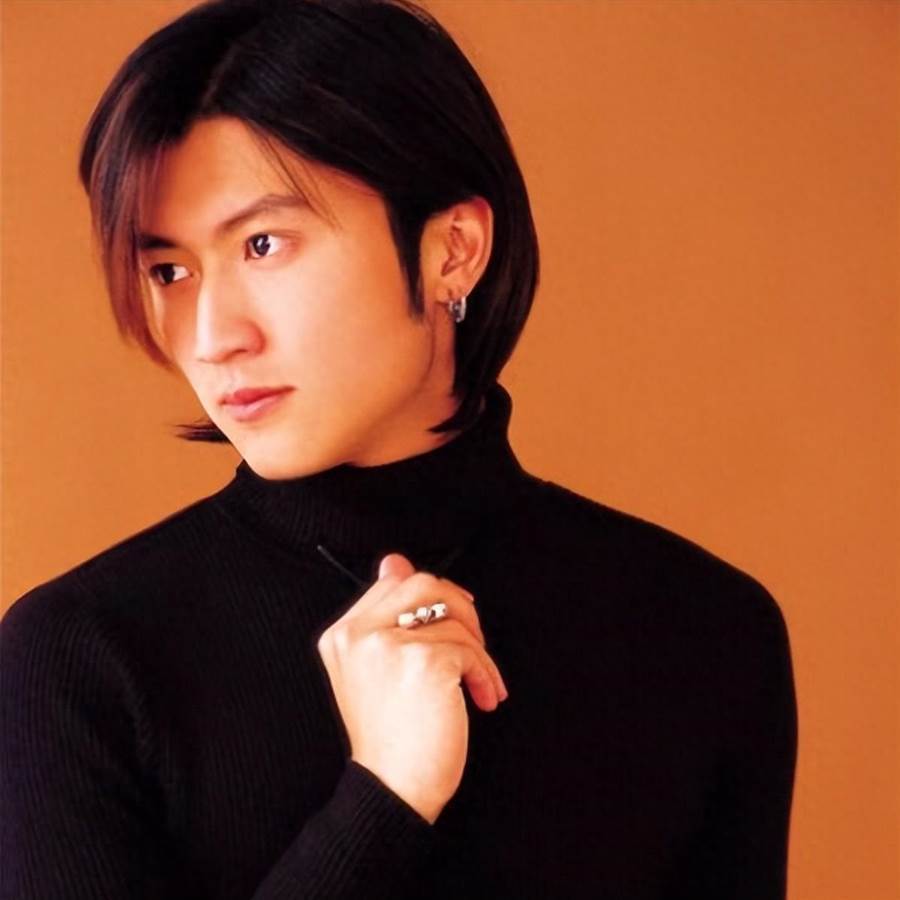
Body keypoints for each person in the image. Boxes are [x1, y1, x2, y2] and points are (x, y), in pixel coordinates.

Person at [0, 0, 798, 897]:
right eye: (170, 271)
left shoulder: (705, 630)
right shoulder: (81, 656)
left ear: (452, 250)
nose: (214, 336)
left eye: (263, 244)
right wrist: (383, 800)